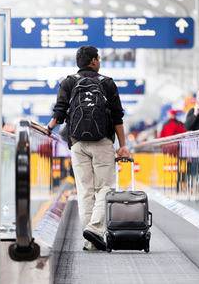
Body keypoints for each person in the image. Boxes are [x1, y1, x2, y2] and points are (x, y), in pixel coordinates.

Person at [46, 45, 129, 252]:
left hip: (78, 143)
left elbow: (60, 111)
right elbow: (118, 117)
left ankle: (90, 240)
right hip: (102, 142)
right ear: (93, 61)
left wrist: (48, 128)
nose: (99, 61)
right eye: (98, 58)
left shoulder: (68, 82)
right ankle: (94, 228)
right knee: (106, 187)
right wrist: (123, 146)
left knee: (85, 190)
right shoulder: (107, 83)